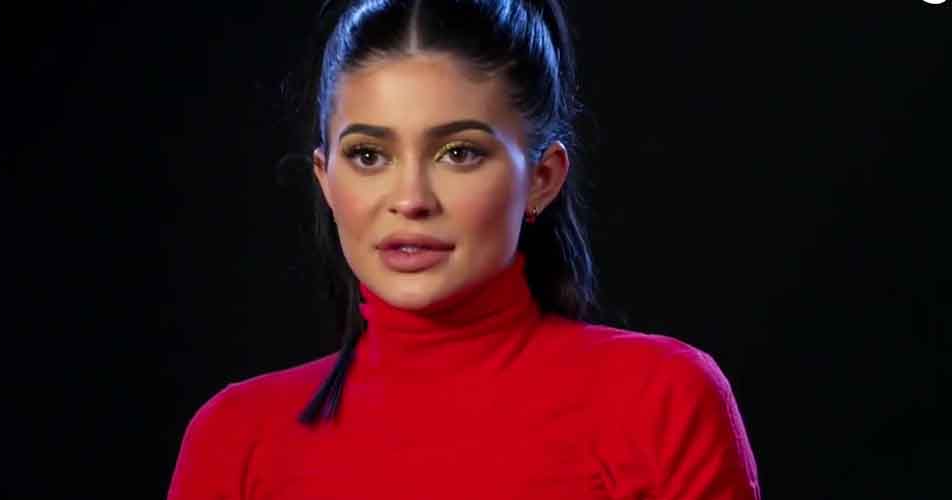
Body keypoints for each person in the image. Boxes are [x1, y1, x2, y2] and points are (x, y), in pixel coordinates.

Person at [167, 0, 761, 498]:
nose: (410, 199)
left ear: (543, 178)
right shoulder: (235, 441)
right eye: (369, 155)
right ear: (325, 179)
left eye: (459, 153)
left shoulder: (660, 403)